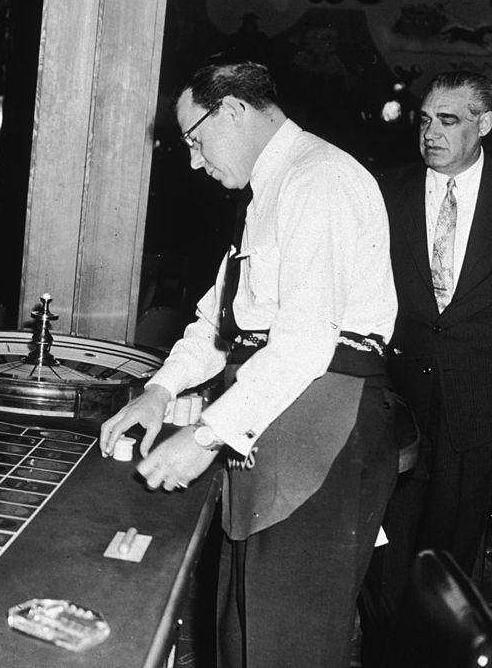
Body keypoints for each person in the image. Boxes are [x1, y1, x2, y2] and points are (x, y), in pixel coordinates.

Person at [99, 61, 399, 668]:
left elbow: (305, 343)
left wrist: (205, 436)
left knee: (283, 646)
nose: (192, 160)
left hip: (322, 427)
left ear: (233, 109)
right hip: (272, 428)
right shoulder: (265, 189)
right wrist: (159, 391)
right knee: (242, 639)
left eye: (194, 138)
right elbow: (221, 324)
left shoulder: (320, 179)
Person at [360, 71, 492, 665]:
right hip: (399, 407)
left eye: (450, 120)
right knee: (387, 558)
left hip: (478, 409)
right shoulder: (385, 193)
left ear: (484, 124)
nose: (431, 133)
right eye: (425, 119)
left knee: (452, 566)